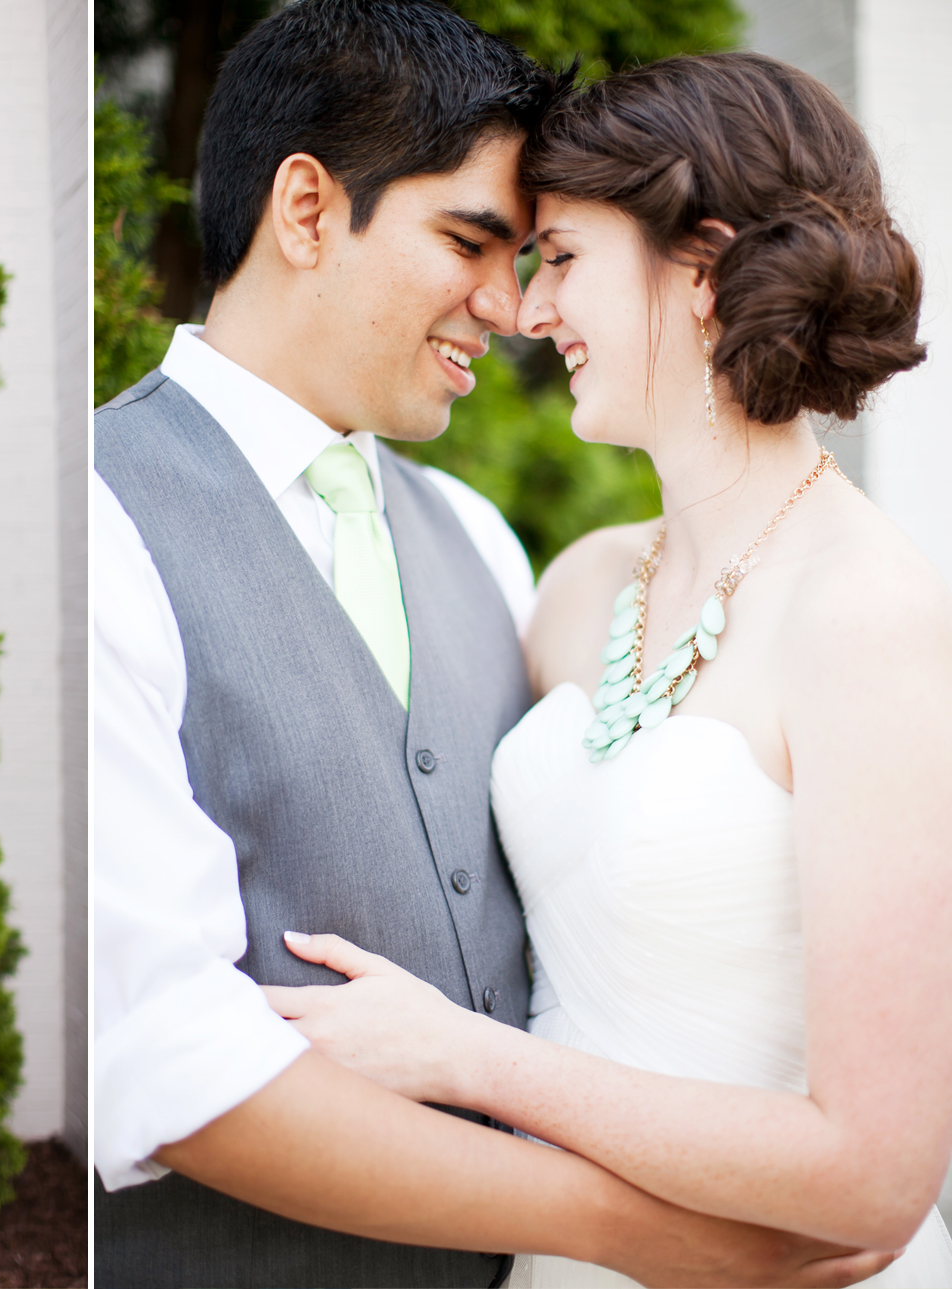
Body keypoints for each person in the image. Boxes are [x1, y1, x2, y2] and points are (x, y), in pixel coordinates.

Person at [93, 2, 898, 1285]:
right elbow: (160, 1056)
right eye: (472, 241)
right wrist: (643, 1236)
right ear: (306, 211)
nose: (512, 305)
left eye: (541, 255)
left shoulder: (478, 538)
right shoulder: (98, 514)